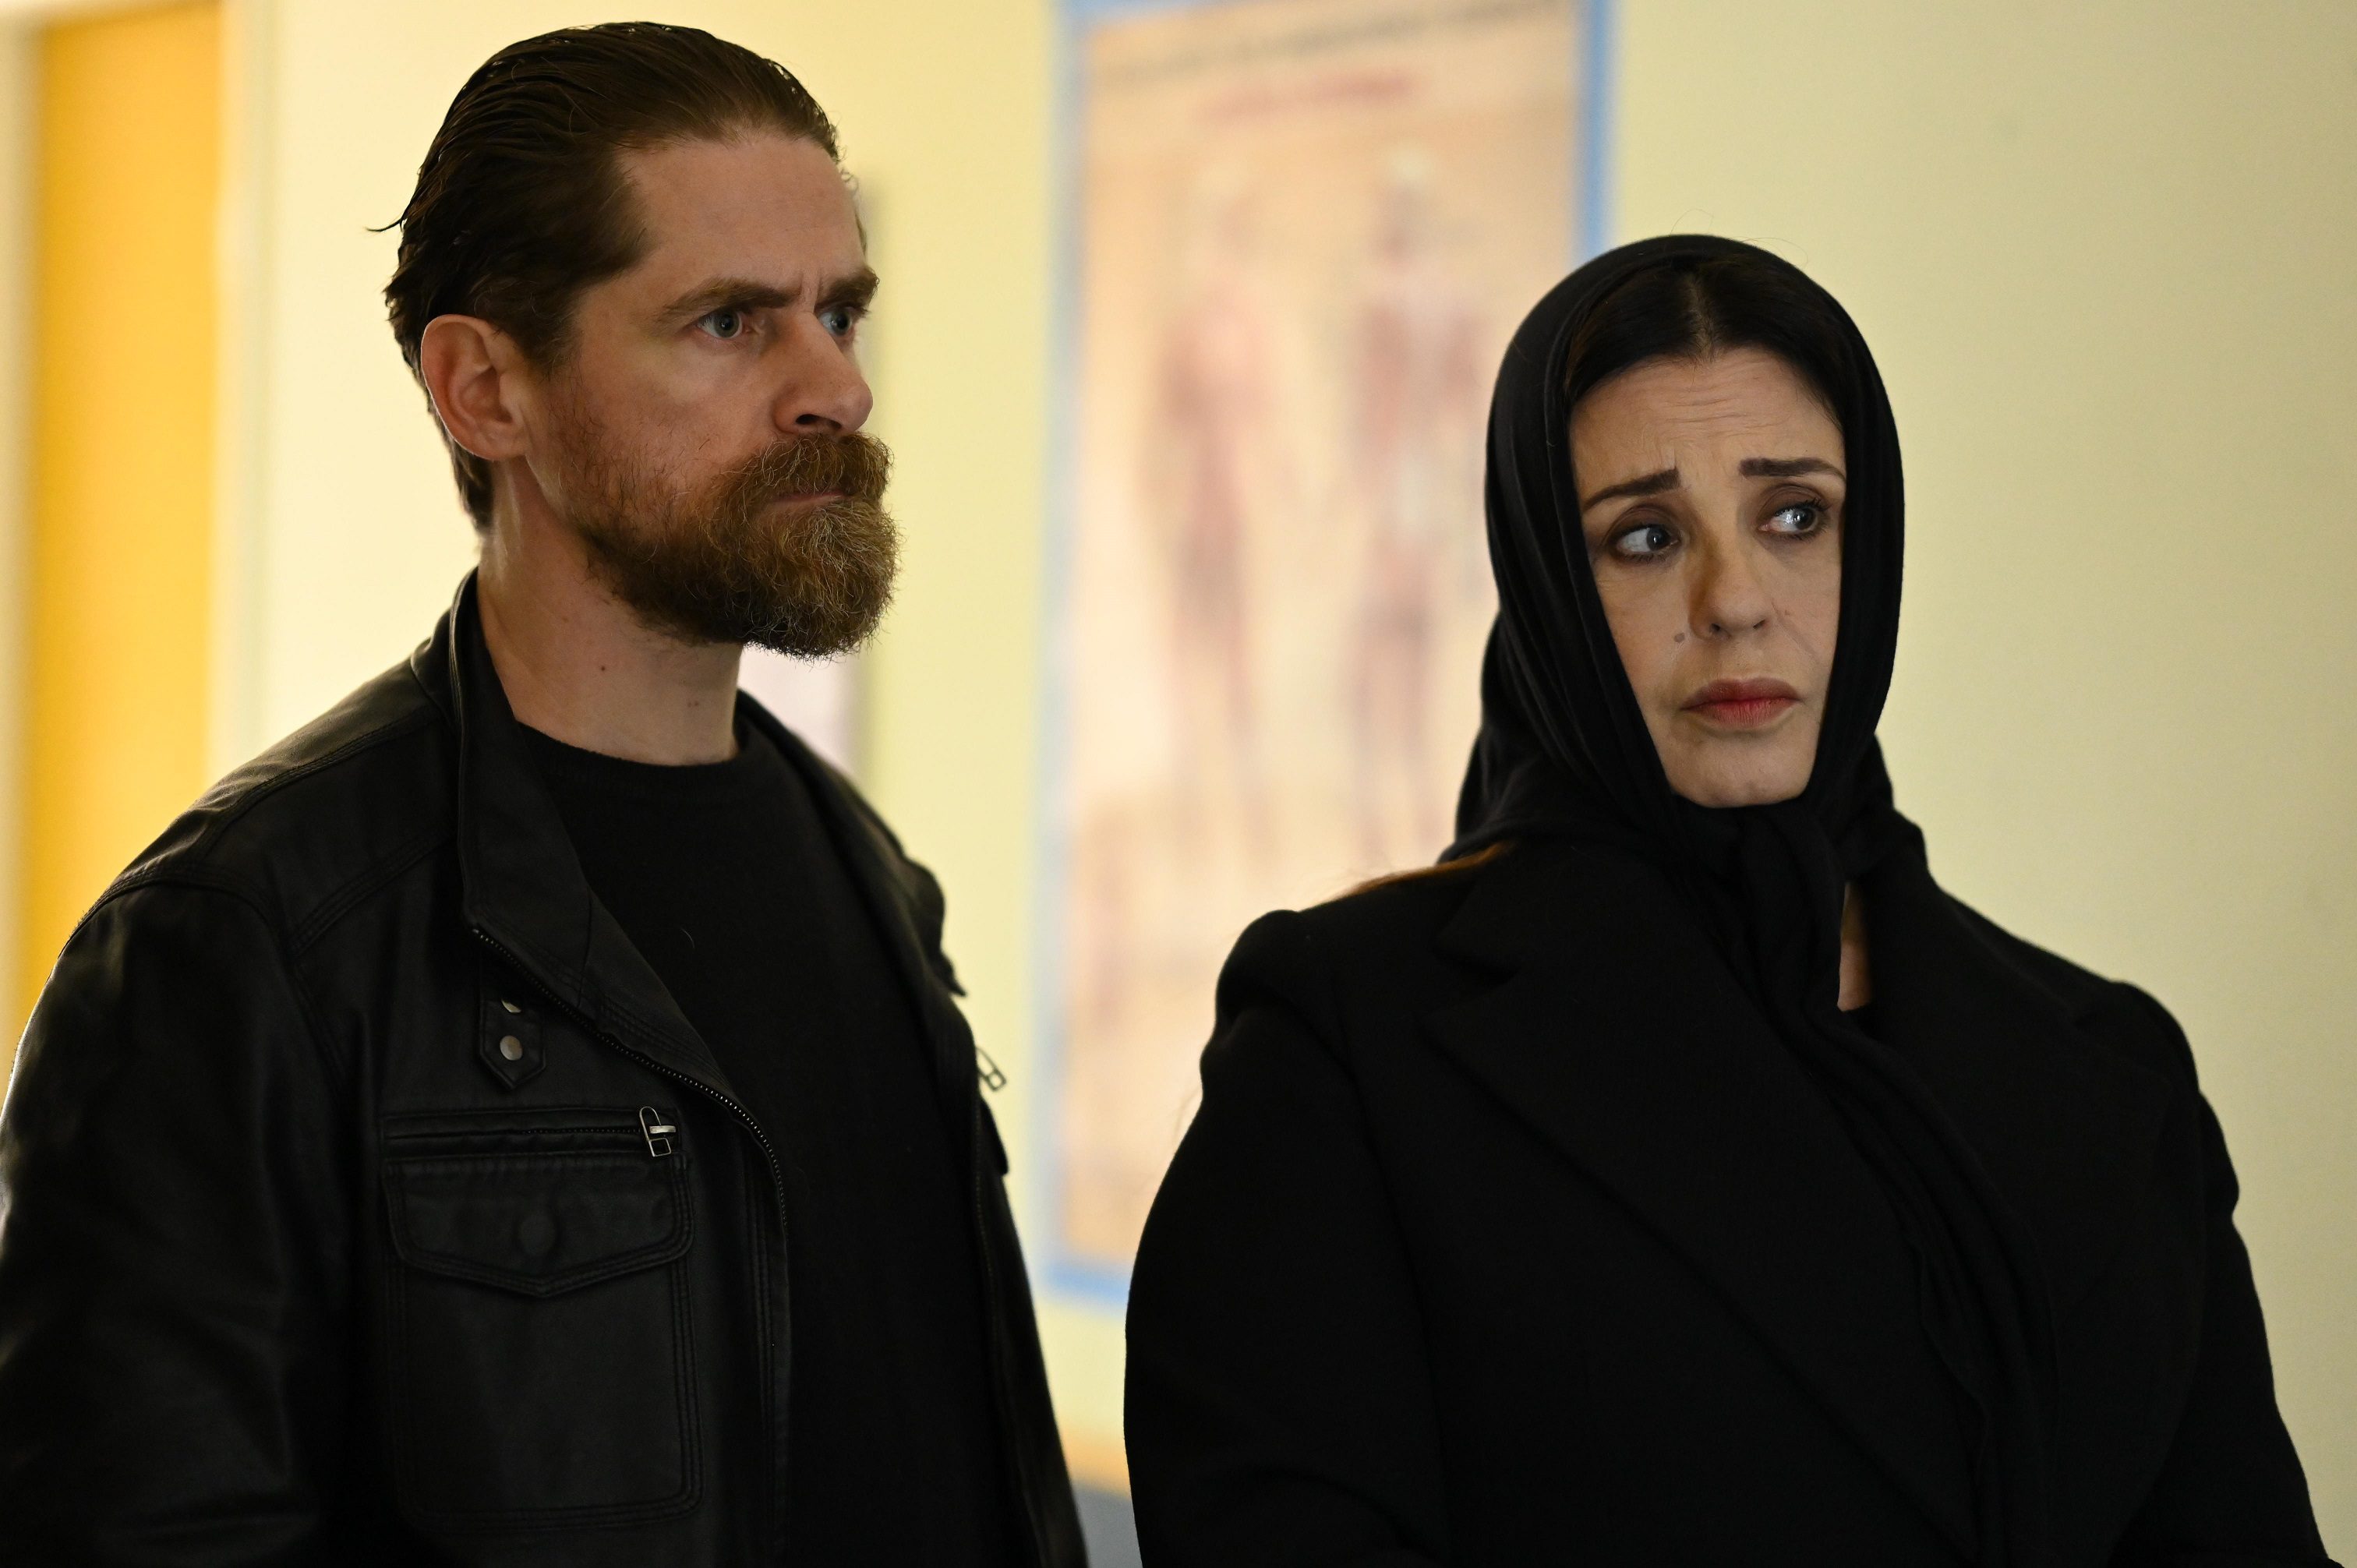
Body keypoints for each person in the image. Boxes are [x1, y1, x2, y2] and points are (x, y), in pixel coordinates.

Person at [0, 24, 1083, 1565]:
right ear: (487, 388)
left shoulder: (867, 876)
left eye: (840, 313)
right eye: (730, 323)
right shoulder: (243, 944)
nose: (835, 388)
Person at [1124, 235, 2334, 1566]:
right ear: (1548, 589)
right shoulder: (1351, 1042)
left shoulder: (2110, 1068)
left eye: (1796, 516)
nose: (1737, 601)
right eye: (1645, 538)